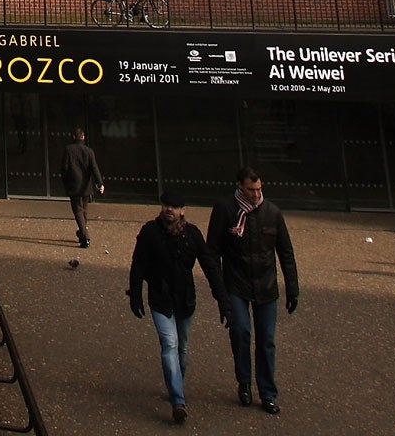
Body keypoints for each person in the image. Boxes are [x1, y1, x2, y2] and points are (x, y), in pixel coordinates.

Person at [206, 166, 298, 416]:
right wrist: (219, 292)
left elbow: (285, 252)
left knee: (266, 341)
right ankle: (244, 382)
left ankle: (267, 393)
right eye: (250, 190)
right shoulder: (226, 210)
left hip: (266, 286)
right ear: (240, 187)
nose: (256, 194)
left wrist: (292, 288)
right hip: (236, 284)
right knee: (241, 332)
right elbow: (212, 252)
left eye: (259, 189)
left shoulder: (272, 213)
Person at [128, 191, 226, 425]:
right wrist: (135, 295)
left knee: (182, 347)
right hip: (160, 299)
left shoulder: (192, 235)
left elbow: (210, 267)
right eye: (165, 205)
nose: (168, 209)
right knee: (170, 344)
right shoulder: (150, 233)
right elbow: (138, 264)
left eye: (173, 206)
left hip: (185, 300)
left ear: (183, 210)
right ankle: (177, 400)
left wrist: (223, 300)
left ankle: (176, 384)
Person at [61, 127, 106, 248]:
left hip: (74, 184)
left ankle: (85, 237)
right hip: (86, 186)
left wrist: (66, 182)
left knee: (78, 211)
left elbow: (64, 168)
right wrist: (100, 183)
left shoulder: (69, 150)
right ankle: (82, 233)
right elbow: (94, 168)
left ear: (73, 137)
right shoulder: (89, 151)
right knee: (84, 211)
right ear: (83, 138)